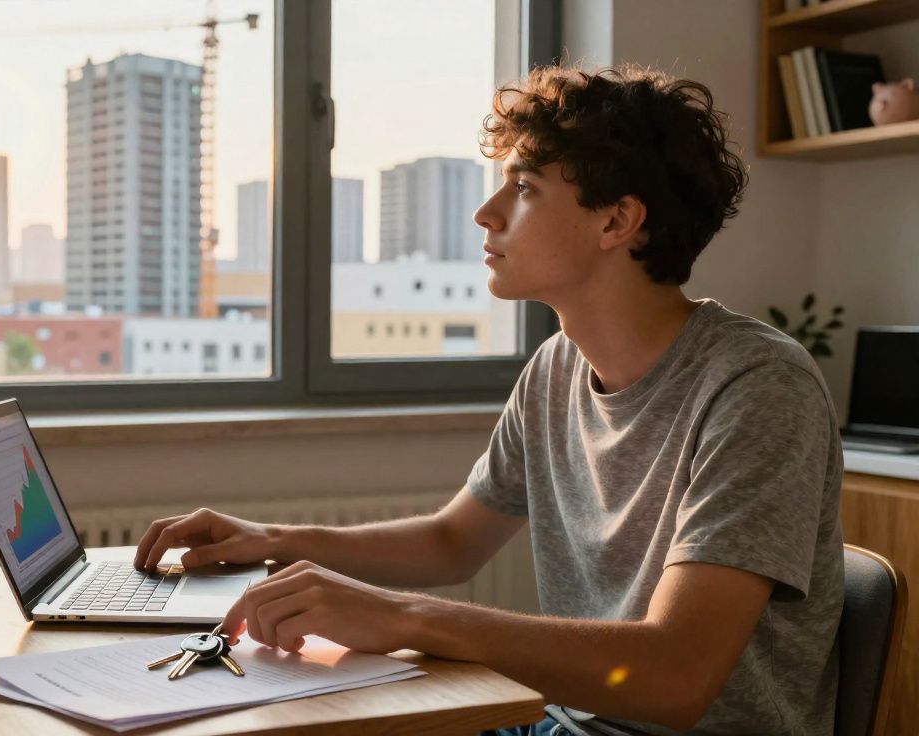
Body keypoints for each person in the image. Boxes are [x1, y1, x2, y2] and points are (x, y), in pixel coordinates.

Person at [132, 64, 844, 735]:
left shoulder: (757, 386)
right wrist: (274, 542)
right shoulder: (557, 367)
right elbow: (452, 542)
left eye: (524, 187)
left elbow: (677, 675)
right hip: (560, 721)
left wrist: (405, 617)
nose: (485, 213)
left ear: (616, 222)